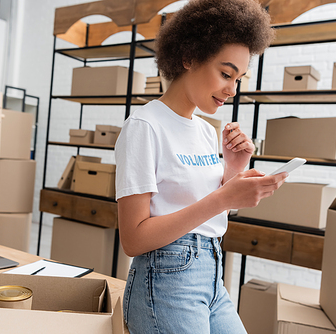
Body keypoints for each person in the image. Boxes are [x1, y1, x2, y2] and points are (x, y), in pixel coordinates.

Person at [115, 0, 286, 332]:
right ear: (189, 57)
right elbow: (133, 240)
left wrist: (235, 169)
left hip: (211, 273)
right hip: (166, 281)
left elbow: (209, 216)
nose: (231, 90)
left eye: (238, 78)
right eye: (225, 74)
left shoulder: (208, 132)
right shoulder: (145, 126)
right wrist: (224, 198)